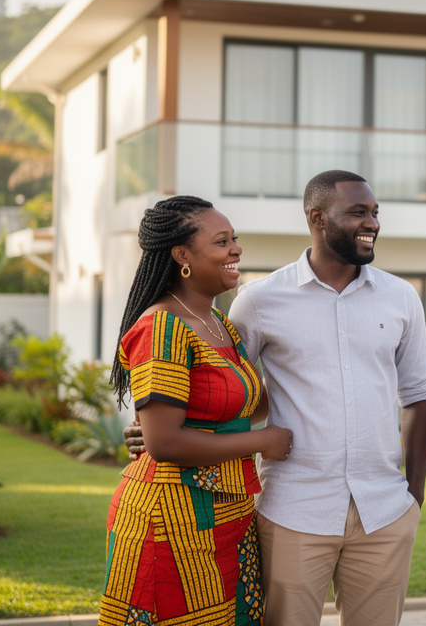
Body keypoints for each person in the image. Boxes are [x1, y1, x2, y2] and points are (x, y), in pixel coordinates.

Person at [127, 170, 426, 626]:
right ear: (317, 218)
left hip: (385, 510)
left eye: (374, 212)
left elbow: (419, 394)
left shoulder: (401, 297)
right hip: (293, 509)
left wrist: (414, 493)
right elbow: (224, 385)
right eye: (358, 212)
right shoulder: (258, 300)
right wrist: (156, 428)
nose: (371, 222)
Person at [100, 195, 293, 626]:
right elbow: (164, 442)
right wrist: (262, 441)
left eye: (234, 239)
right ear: (182, 255)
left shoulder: (219, 324)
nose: (236, 249)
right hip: (170, 519)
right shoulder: (161, 327)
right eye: (221, 242)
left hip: (229, 515)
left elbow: (240, 407)